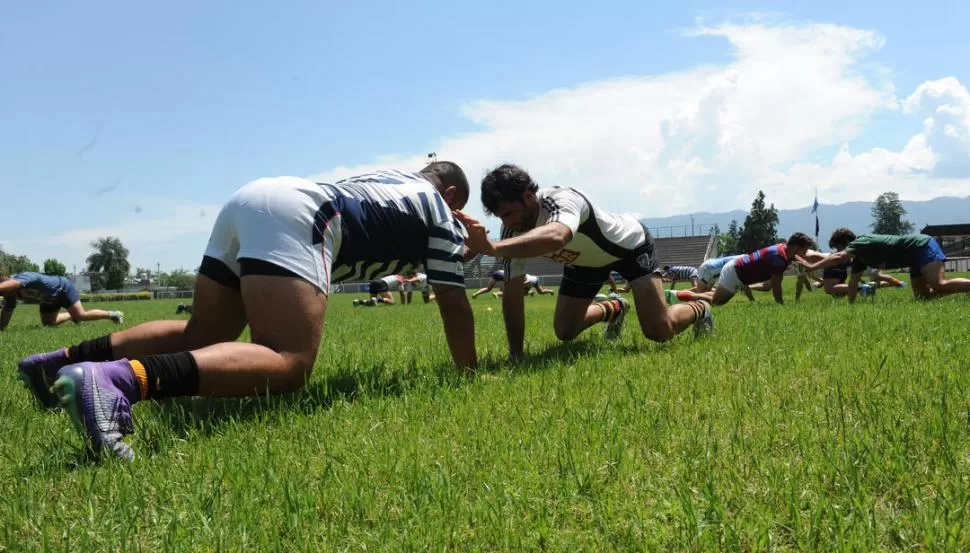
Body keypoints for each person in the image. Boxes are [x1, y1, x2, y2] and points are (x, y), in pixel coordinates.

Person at [18, 162, 478, 460]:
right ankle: (115, 382)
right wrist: (468, 376)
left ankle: (59, 364)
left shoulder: (390, 175)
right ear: (453, 194)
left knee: (203, 332)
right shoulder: (438, 212)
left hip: (255, 196)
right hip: (305, 213)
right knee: (289, 361)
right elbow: (454, 305)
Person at [456, 164, 713, 360]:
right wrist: (516, 357)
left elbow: (557, 236)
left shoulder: (561, 199)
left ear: (527, 196)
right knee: (565, 331)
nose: (507, 223)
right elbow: (512, 294)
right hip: (585, 263)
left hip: (630, 247)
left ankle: (701, 308)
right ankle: (615, 308)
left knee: (659, 330)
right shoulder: (512, 230)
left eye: (509, 213)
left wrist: (490, 248)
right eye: (501, 217)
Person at [795, 228, 970, 302]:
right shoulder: (860, 259)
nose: (839, 252)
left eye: (839, 247)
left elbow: (840, 256)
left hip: (922, 246)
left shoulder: (861, 242)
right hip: (913, 258)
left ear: (848, 242)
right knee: (923, 296)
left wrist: (811, 267)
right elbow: (853, 285)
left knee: (938, 284)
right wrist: (851, 306)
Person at [686, 233, 814, 306]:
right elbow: (776, 287)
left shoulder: (782, 248)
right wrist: (781, 305)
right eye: (805, 249)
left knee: (717, 298)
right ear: (796, 247)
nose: (806, 252)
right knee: (716, 302)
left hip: (737, 271)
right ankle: (686, 297)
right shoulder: (779, 259)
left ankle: (688, 295)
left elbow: (793, 257)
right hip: (735, 273)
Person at [0, 271, 123, 330]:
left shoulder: (25, 277)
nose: (3, 295)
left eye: (2, 292)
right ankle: (70, 316)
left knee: (80, 315)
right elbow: (5, 319)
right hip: (49, 299)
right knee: (49, 324)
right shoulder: (9, 295)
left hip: (62, 288)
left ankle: (114, 314)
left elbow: (15, 283)